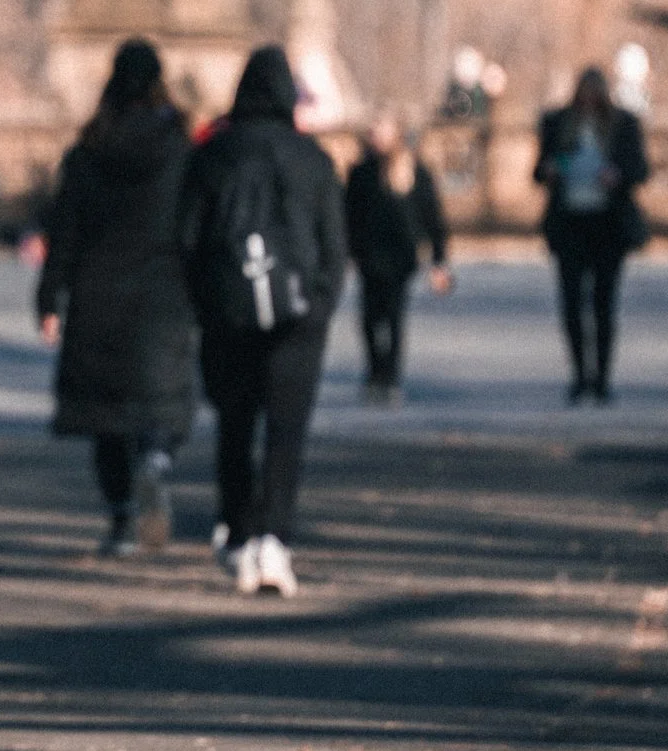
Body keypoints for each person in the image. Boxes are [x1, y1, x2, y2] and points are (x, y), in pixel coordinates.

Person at [178, 46, 347, 596]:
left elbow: (187, 241)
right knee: (285, 430)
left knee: (235, 425)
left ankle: (239, 533)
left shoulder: (212, 156)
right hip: (297, 315)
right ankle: (274, 539)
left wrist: (204, 305)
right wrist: (318, 305)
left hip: (228, 311)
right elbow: (333, 247)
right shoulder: (313, 161)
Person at [36, 38, 198, 558]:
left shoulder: (88, 152)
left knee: (107, 418)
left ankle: (122, 520)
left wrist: (48, 299)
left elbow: (65, 232)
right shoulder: (180, 152)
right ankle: (156, 459)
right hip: (164, 295)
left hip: (97, 296)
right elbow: (197, 227)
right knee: (165, 402)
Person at [534, 67, 649, 405]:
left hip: (607, 224)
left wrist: (617, 175)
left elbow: (639, 169)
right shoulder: (557, 122)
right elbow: (538, 170)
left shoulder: (623, 124)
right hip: (569, 223)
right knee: (571, 304)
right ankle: (579, 375)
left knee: (603, 304)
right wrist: (551, 170)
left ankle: (600, 377)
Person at [342, 109, 450, 406]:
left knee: (393, 318)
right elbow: (348, 216)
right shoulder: (362, 172)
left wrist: (439, 261)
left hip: (400, 258)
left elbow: (432, 219)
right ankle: (374, 371)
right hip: (369, 255)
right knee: (368, 319)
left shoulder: (414, 171)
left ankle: (389, 376)